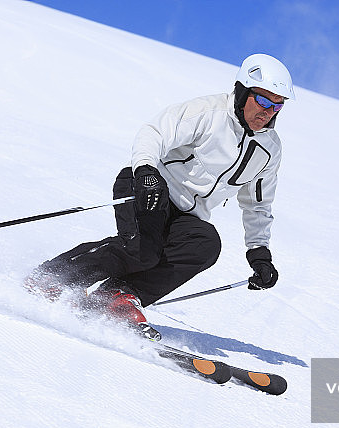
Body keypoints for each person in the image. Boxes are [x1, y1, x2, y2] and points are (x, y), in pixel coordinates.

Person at [26, 54, 294, 340]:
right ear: (242, 93)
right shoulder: (208, 113)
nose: (268, 111)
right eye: (263, 101)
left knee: (204, 244)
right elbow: (154, 132)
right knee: (141, 249)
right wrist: (145, 170)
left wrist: (259, 253)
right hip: (149, 187)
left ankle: (117, 297)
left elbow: (258, 204)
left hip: (188, 214)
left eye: (277, 105)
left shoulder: (269, 149)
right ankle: (51, 278)